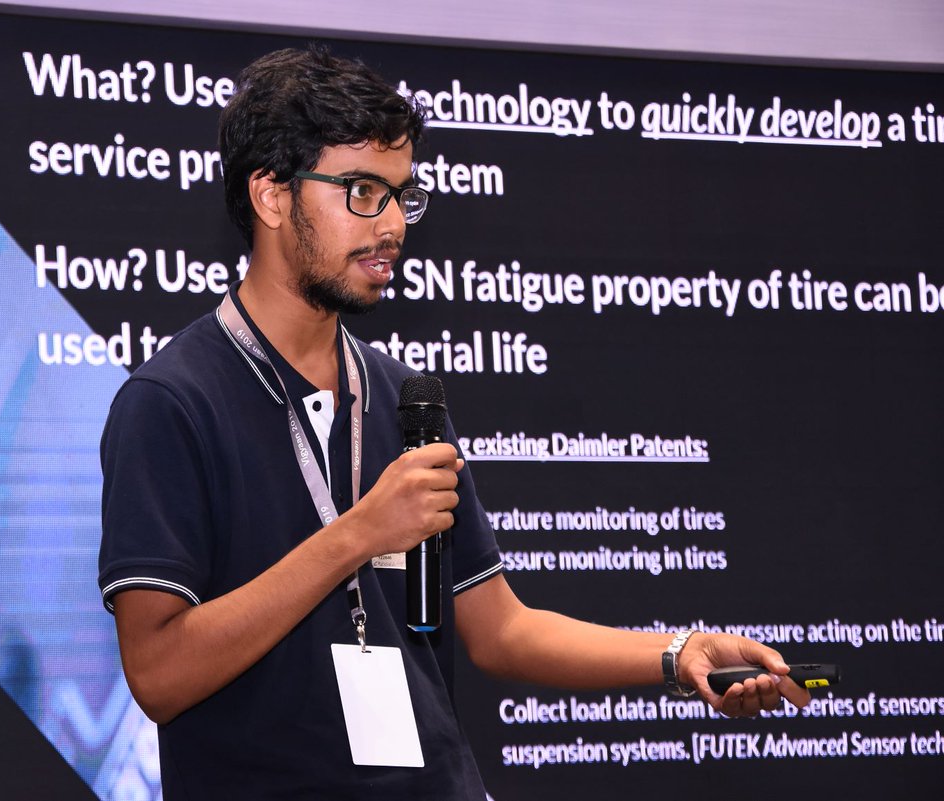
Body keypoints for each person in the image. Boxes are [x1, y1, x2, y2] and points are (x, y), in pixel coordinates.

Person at [98, 47, 809, 799]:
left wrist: (679, 652)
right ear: (272, 195)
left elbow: (500, 629)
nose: (392, 224)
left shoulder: (401, 396)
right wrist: (358, 535)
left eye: (402, 195)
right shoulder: (172, 402)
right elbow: (160, 674)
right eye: (362, 191)